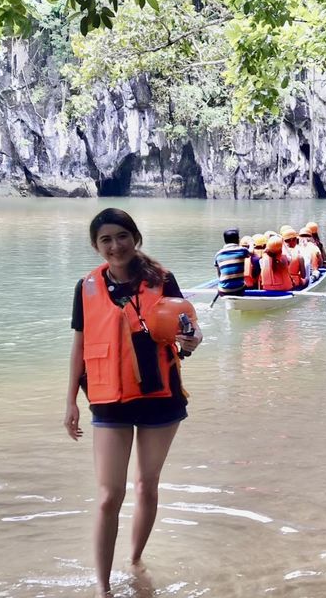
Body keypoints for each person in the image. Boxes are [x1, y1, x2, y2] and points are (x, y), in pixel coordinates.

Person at [64, 208, 203, 598]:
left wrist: (191, 341)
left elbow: (186, 328)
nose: (115, 245)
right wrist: (71, 401)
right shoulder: (86, 287)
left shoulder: (162, 280)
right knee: (110, 494)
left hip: (160, 395)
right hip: (109, 398)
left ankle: (136, 561)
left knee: (147, 484)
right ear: (96, 246)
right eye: (105, 239)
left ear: (135, 238)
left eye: (121, 236)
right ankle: (102, 588)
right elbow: (79, 346)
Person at [214, 228, 250, 296]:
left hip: (223, 290)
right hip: (238, 289)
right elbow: (251, 252)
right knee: (247, 285)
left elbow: (219, 274)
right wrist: (251, 243)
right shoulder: (242, 250)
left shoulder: (218, 254)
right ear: (238, 240)